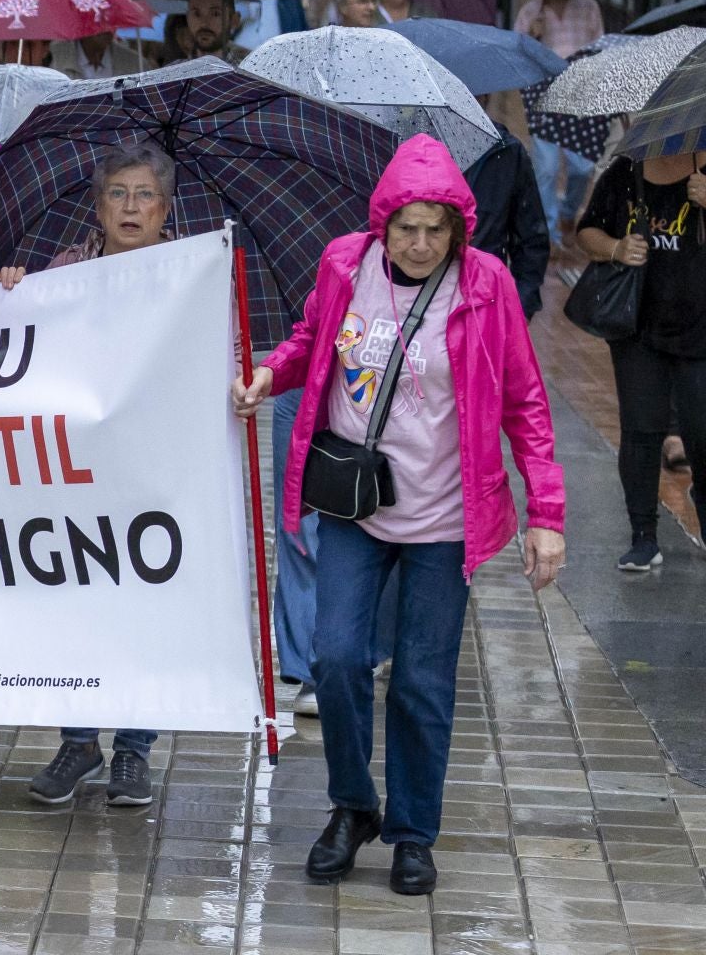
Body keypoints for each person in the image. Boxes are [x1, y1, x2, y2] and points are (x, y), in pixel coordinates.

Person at [234, 135, 564, 896]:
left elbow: (526, 403)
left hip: (447, 518)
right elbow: (314, 340)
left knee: (420, 680)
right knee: (336, 659)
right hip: (356, 504)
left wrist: (546, 511)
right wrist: (267, 373)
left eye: (435, 229)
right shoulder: (345, 264)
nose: (419, 243)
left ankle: (414, 831)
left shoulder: (487, 286)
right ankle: (353, 807)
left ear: (458, 231)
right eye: (405, 226)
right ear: (383, 223)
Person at [0, 142, 176, 808]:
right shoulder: (66, 268)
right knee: (78, 597)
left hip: (158, 467)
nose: (131, 207)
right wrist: (15, 288)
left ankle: (133, 747)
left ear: (164, 208)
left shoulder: (193, 271)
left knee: (146, 604)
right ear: (97, 209)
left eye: (144, 195)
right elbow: (25, 340)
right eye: (118, 195)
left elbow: (224, 356)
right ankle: (78, 739)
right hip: (79, 469)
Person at [575, 151, 706, 570]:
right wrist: (615, 247)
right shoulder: (624, 172)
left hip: (701, 332)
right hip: (638, 330)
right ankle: (643, 537)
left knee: (701, 433)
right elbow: (587, 231)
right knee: (641, 431)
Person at [516, 0, 604, 238]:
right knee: (547, 169)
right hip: (543, 97)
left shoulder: (589, 7)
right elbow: (517, 55)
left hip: (580, 95)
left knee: (583, 167)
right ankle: (549, 235)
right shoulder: (530, 12)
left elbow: (600, 49)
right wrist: (533, 36)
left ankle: (567, 214)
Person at [464, 113, 550, 319]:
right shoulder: (406, 144)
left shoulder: (506, 151)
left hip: (483, 301)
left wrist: (522, 307)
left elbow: (531, 237)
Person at [186, 0, 245, 64]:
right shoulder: (171, 73)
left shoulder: (246, 74)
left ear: (234, 20)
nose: (204, 23)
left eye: (215, 14)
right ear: (187, 18)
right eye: (196, 14)